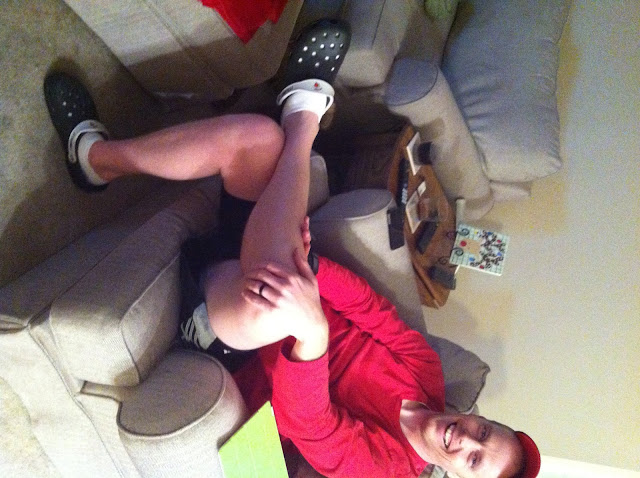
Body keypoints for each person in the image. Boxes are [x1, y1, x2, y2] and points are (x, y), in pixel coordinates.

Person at [43, 20, 541, 478]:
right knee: (257, 139)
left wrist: (313, 333)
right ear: (482, 419)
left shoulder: (388, 470)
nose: (465, 439)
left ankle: (302, 119)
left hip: (241, 338)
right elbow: (372, 309)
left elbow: (310, 426)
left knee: (276, 310)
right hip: (278, 269)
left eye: (474, 461)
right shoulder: (426, 373)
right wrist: (314, 268)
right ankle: (97, 160)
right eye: (483, 433)